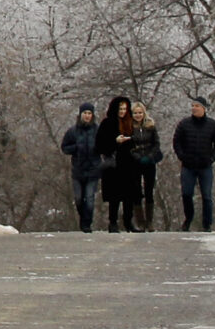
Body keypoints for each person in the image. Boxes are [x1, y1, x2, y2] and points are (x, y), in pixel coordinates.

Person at [172, 96, 215, 231]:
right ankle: (188, 219)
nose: (194, 108)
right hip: (188, 166)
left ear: (203, 108)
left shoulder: (212, 125)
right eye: (192, 106)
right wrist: (182, 156)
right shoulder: (184, 124)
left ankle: (207, 224)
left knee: (207, 196)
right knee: (186, 194)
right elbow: (176, 141)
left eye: (197, 106)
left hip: (205, 166)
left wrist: (213, 158)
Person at [98, 96, 143, 232]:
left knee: (129, 195)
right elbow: (100, 145)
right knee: (115, 196)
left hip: (130, 163)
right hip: (114, 164)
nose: (123, 112)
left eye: (125, 109)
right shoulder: (107, 123)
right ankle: (113, 222)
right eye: (120, 109)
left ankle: (128, 222)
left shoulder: (131, 123)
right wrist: (115, 141)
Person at [59, 103, 102, 232]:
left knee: (89, 198)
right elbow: (64, 148)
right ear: (80, 115)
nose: (87, 116)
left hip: (93, 170)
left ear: (92, 115)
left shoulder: (98, 130)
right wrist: (75, 148)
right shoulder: (72, 131)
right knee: (78, 199)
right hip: (78, 170)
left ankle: (87, 224)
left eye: (89, 113)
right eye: (85, 113)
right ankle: (83, 218)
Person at [132, 104, 165, 230]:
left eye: (140, 112)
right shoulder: (128, 127)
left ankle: (149, 221)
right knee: (136, 191)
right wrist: (137, 157)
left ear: (144, 113)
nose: (138, 115)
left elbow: (156, 143)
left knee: (149, 190)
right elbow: (128, 145)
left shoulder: (150, 126)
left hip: (149, 162)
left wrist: (150, 156)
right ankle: (140, 222)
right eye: (135, 113)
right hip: (135, 163)